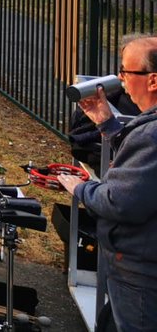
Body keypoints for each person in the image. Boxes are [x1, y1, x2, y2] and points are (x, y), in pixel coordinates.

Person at [60, 35, 157, 332]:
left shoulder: (152, 135)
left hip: (139, 273)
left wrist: (81, 188)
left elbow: (120, 202)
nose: (121, 79)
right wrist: (107, 124)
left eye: (127, 71)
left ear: (152, 81)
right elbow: (141, 166)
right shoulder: (148, 129)